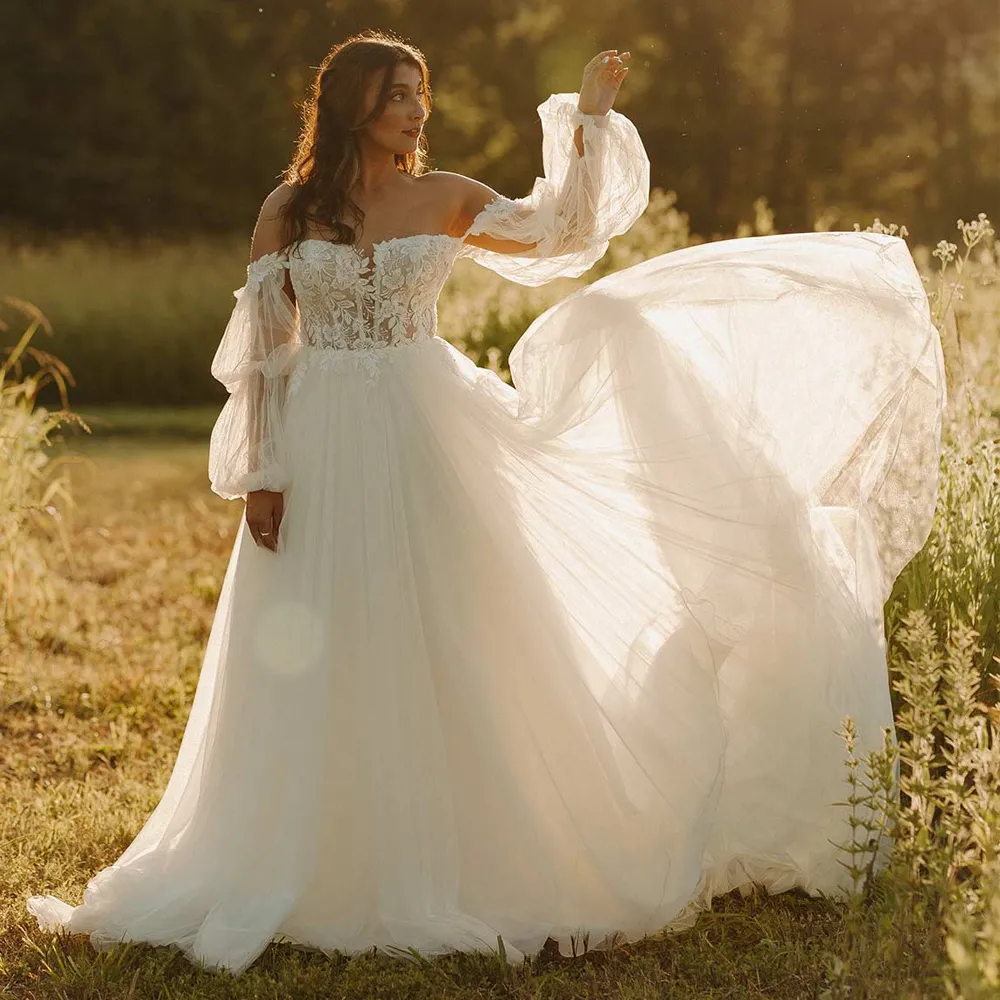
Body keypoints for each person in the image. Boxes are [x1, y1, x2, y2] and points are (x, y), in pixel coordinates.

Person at [26, 28, 946, 977]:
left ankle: (475, 844)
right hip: (326, 436)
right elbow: (266, 348)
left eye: (420, 93)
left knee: (458, 627)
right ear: (349, 106)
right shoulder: (290, 210)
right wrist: (265, 471)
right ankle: (315, 849)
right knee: (321, 632)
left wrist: (587, 121)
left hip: (432, 430)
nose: (416, 112)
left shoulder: (448, 196)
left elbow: (564, 235)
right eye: (395, 96)